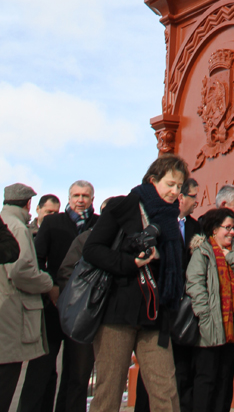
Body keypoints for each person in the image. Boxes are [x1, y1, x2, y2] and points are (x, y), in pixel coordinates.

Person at [83, 154, 190, 412]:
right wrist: (130, 262)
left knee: (166, 390)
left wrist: (161, 257)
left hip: (155, 315)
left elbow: (177, 267)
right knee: (109, 390)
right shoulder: (124, 206)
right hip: (117, 313)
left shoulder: (170, 219)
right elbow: (93, 250)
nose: (175, 191)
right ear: (153, 180)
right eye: (170, 184)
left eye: (180, 186)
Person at [19, 180, 99, 412]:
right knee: (40, 371)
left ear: (92, 199)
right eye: (76, 195)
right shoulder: (53, 223)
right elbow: (38, 259)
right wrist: (51, 287)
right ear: (69, 197)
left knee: (78, 375)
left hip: (83, 311)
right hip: (52, 307)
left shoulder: (100, 224)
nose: (80, 200)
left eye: (85, 195)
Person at [135, 179, 202, 412]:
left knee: (180, 368)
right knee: (152, 371)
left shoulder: (196, 228)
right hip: (156, 306)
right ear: (181, 198)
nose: (197, 202)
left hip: (183, 310)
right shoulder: (155, 222)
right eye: (193, 196)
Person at [186, 208, 234, 412]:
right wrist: (205, 316)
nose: (231, 232)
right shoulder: (202, 252)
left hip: (231, 327)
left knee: (225, 380)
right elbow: (195, 285)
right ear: (214, 229)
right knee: (206, 379)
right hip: (208, 326)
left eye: (233, 228)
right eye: (227, 228)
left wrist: (231, 257)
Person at [0, 184, 53, 412]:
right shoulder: (18, 227)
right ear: (29, 203)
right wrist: (48, 283)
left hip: (8, 311)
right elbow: (20, 271)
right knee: (6, 383)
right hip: (14, 314)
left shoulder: (5, 221)